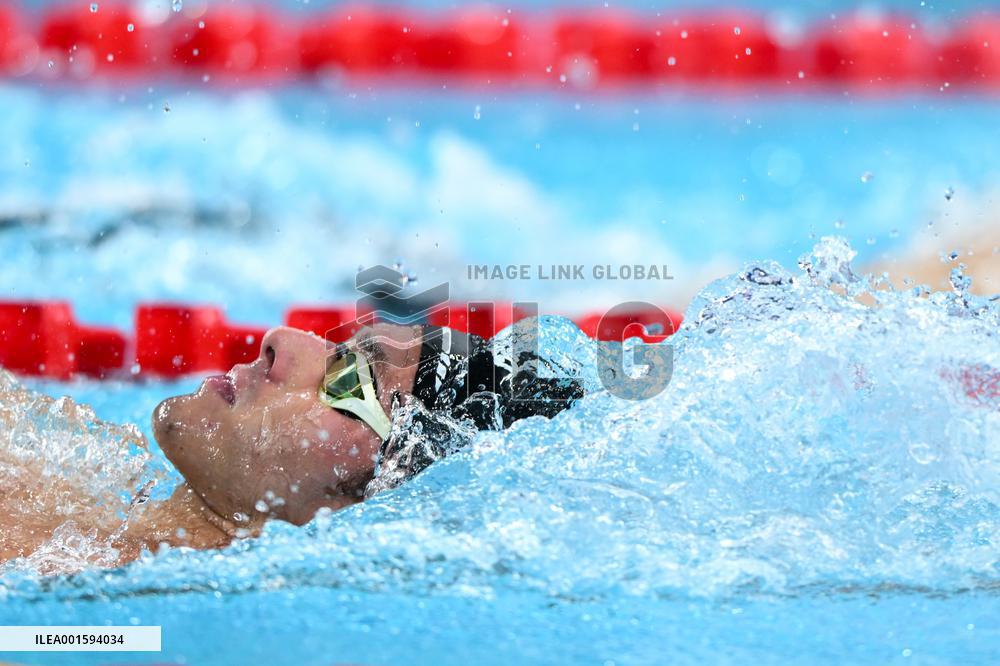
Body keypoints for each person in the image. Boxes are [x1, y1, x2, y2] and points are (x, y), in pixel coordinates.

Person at [0, 320, 584, 568]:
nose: (281, 341)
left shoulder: (112, 617)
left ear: (373, 501)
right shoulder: (82, 505)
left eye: (350, 382)